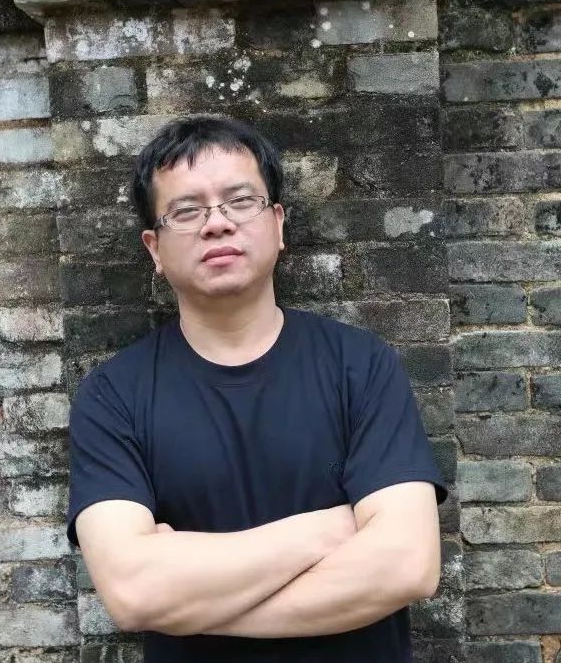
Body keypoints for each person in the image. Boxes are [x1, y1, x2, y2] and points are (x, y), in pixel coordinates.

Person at [66, 115, 448, 662]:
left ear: (278, 222)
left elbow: (407, 566)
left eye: (240, 201)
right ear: (155, 248)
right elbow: (133, 593)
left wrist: (193, 602)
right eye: (187, 211)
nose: (217, 224)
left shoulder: (360, 365)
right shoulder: (112, 396)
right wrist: (326, 530)